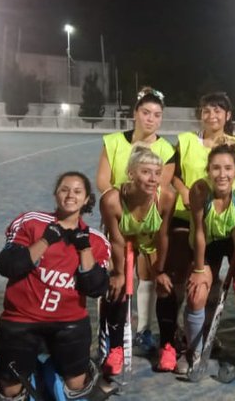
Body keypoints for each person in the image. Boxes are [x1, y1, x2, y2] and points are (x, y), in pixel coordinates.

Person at [0, 172, 113, 400]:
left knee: (76, 387)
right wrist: (45, 241)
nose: (70, 195)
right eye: (64, 189)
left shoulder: (96, 240)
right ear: (56, 194)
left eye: (77, 191)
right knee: (10, 390)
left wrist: (84, 249)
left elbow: (95, 289)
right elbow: (7, 266)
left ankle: (55, 373)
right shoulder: (31, 222)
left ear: (86, 199)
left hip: (69, 322)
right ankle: (9, 370)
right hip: (22, 319)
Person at [165, 92, 235, 371]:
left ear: (228, 115)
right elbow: (174, 175)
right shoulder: (187, 141)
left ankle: (213, 337)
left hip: (224, 226)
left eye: (218, 110)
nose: (212, 116)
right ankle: (185, 341)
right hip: (190, 220)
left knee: (221, 288)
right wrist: (184, 191)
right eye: (207, 110)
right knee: (189, 284)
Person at [95, 86, 175, 357]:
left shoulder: (166, 149)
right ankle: (112, 333)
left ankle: (144, 329)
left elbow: (159, 187)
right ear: (135, 113)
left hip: (147, 221)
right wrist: (121, 204)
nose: (150, 119)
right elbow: (103, 181)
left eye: (156, 115)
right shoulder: (114, 142)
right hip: (120, 214)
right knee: (116, 275)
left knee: (148, 274)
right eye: (145, 112)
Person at [99, 144, 175, 377]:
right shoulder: (112, 200)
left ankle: (167, 346)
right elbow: (116, 241)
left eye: (157, 173)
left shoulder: (166, 197)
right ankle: (116, 348)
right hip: (123, 239)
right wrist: (119, 274)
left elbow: (163, 236)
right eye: (145, 172)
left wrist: (160, 270)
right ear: (131, 173)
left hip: (150, 239)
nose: (153, 179)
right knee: (117, 288)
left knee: (165, 287)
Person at [184, 142, 235, 374]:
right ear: (208, 170)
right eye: (216, 168)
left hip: (233, 240)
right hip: (206, 242)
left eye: (228, 168)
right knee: (197, 295)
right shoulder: (199, 190)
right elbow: (199, 232)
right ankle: (194, 353)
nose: (222, 174)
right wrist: (199, 271)